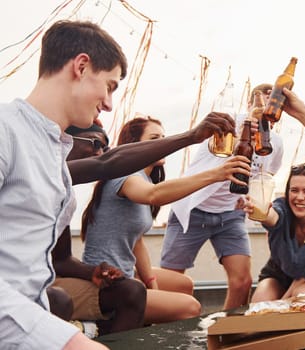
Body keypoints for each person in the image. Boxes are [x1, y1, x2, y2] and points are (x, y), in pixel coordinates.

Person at [0, 19, 238, 350]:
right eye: (110, 85)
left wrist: (191, 137)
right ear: (81, 66)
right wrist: (68, 341)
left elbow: (106, 162)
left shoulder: (51, 154)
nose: (110, 103)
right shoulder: (6, 130)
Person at [81, 116, 252, 324]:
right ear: (135, 145)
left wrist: (150, 281)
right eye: (154, 138)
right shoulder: (124, 175)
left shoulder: (144, 177)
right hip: (104, 279)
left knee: (183, 284)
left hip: (126, 271)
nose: (162, 144)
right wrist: (218, 173)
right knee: (191, 307)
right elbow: (154, 194)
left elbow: (137, 241)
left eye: (163, 138)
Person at [161, 83, 284, 310]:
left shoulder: (275, 143)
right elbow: (222, 154)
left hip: (230, 215)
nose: (267, 110)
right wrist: (250, 124)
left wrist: (249, 197)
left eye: (274, 106)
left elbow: (263, 177)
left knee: (242, 281)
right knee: (171, 281)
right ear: (250, 104)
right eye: (262, 103)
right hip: (193, 208)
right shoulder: (227, 126)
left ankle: (225, 334)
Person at [51, 123, 147, 337]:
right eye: (95, 144)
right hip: (17, 285)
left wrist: (93, 272)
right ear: (65, 140)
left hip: (48, 279)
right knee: (57, 300)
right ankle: (86, 332)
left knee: (132, 291)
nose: (99, 154)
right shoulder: (32, 178)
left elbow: (61, 260)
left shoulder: (66, 195)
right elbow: (154, 194)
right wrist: (192, 137)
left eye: (104, 149)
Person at [244, 157, 305, 302]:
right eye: (294, 190)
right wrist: (261, 211)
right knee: (260, 304)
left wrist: (283, 301)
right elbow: (273, 216)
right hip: (276, 275)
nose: (299, 197)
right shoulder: (282, 207)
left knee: (300, 298)